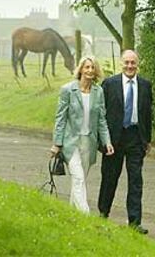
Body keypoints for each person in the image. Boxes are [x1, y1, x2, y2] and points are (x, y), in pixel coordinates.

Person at [98, 50, 153, 234]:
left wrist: (148, 140)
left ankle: (135, 221)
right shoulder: (109, 84)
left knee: (136, 180)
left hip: (136, 138)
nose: (130, 66)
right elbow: (101, 115)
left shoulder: (145, 85)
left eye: (133, 63)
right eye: (126, 63)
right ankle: (103, 213)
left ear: (138, 64)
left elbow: (147, 114)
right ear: (121, 63)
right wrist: (103, 141)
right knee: (109, 177)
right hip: (114, 140)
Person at [51, 57, 114, 213]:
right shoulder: (68, 90)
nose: (90, 70)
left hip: (89, 142)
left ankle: (73, 215)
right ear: (80, 69)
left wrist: (107, 142)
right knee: (78, 177)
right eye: (87, 67)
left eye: (93, 67)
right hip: (71, 142)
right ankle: (86, 215)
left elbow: (101, 120)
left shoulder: (98, 92)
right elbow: (60, 118)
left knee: (80, 180)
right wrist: (57, 143)